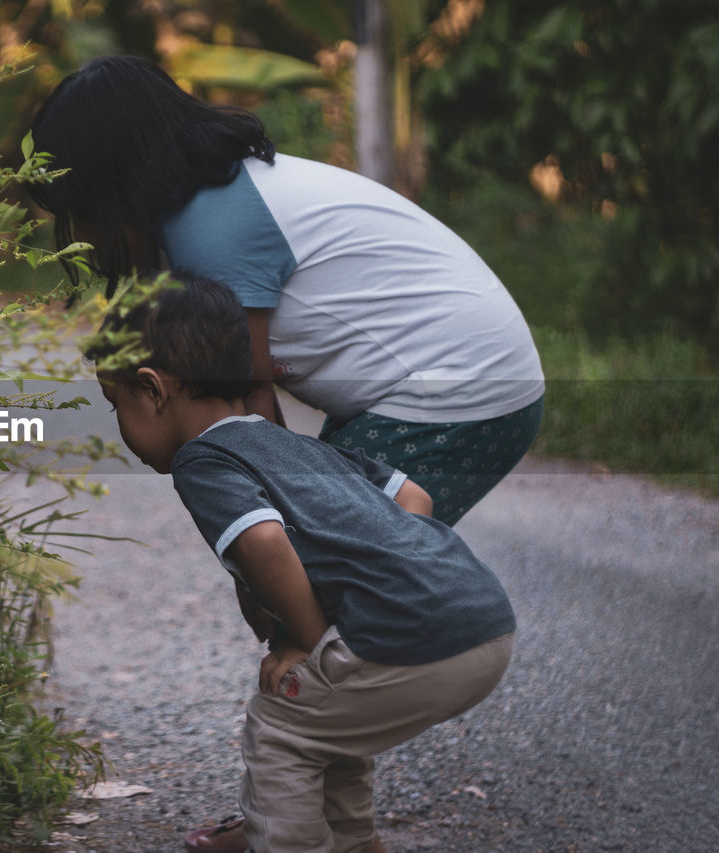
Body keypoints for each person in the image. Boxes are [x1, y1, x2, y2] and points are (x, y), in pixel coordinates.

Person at [86, 274, 515, 853]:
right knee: (324, 720)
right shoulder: (302, 446)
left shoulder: (204, 459)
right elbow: (415, 497)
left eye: (117, 405)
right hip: (482, 618)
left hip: (417, 637)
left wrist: (310, 646)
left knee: (281, 728)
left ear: (154, 389)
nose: (119, 426)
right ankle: (354, 842)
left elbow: (263, 543)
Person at [28, 54, 545, 528]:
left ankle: (462, 629)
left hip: (459, 388)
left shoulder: (211, 231)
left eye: (80, 212)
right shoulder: (212, 198)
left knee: (333, 564)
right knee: (332, 565)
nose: (80, 237)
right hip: (454, 376)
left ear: (113, 184)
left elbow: (248, 408)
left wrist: (266, 534)